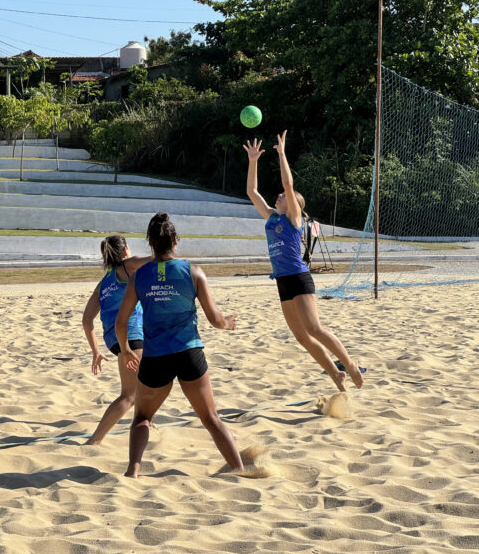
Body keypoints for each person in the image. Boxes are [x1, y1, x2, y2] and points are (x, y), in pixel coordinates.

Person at [115, 214, 243, 478]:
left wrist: (125, 349)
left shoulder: (139, 276)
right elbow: (215, 319)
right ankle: (240, 469)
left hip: (156, 357)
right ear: (175, 241)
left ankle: (132, 471)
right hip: (189, 353)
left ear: (150, 243)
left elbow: (121, 321)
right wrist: (228, 324)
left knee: (142, 418)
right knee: (211, 419)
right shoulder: (193, 272)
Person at [243, 130, 364, 391]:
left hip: (299, 278)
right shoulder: (272, 217)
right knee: (301, 337)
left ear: (294, 204)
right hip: (283, 281)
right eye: (279, 195)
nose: (279, 196)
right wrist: (253, 161)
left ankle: (350, 364)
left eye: (283, 196)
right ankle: (335, 374)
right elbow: (252, 191)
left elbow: (288, 185)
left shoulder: (293, 219)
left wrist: (282, 154)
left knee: (315, 329)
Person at [81, 235, 152, 445]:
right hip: (131, 337)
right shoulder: (128, 265)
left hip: (113, 340)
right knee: (129, 395)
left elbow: (86, 320)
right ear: (124, 250)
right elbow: (158, 257)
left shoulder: (104, 282)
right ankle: (95, 440)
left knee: (144, 387)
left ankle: (146, 423)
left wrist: (95, 351)